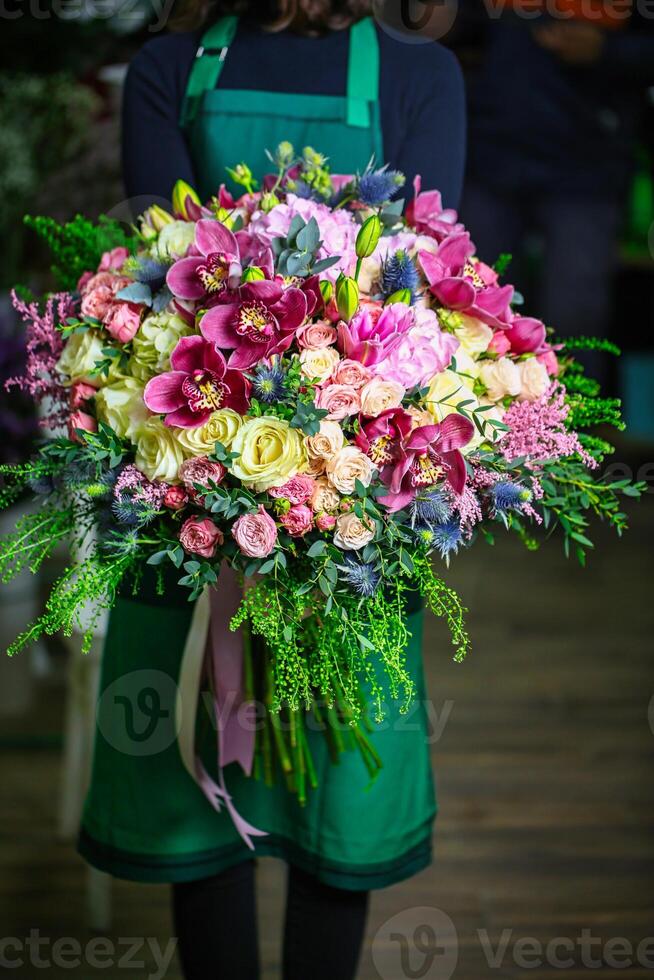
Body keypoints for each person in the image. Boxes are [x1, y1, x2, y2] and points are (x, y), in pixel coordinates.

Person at [78, 3, 467, 979]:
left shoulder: (422, 77)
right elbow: (161, 274)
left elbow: (419, 285)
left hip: (350, 492)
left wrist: (331, 427)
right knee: (195, 766)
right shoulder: (171, 66)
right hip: (190, 476)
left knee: (340, 772)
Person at [458, 0, 654, 379]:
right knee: (473, 310)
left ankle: (571, 433)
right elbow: (442, 26)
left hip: (589, 161)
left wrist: (606, 50)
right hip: (490, 150)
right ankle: (470, 431)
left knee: (574, 319)